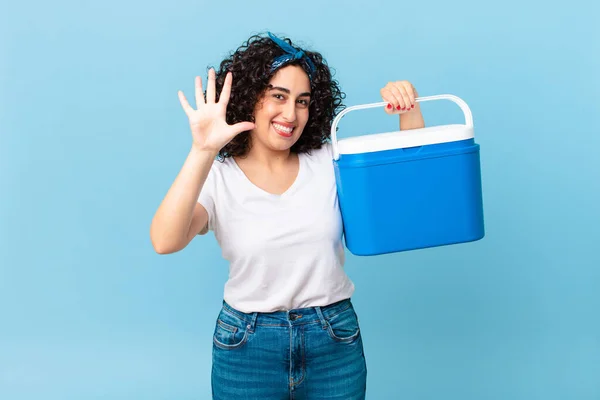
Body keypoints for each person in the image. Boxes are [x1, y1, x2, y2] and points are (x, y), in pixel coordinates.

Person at [150, 32, 425, 400]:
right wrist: (202, 150)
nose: (291, 114)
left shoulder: (329, 161)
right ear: (250, 98)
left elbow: (404, 198)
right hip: (246, 346)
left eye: (303, 101)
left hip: (333, 339)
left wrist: (409, 112)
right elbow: (165, 241)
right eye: (278, 96)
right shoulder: (218, 177)